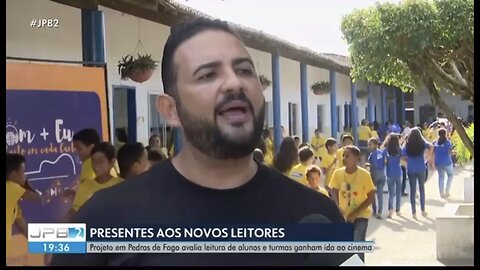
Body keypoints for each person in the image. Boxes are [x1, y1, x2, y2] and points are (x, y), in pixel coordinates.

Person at [51, 17, 347, 266]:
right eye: (207, 75)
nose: (235, 82)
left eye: (245, 70)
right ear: (170, 109)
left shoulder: (318, 216)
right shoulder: (102, 220)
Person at [328, 146, 376, 262]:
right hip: (344, 216)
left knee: (357, 243)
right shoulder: (338, 173)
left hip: (361, 215)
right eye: (343, 155)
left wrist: (355, 213)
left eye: (347, 156)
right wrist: (338, 207)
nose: (344, 158)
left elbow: (371, 197)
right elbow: (333, 191)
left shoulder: (365, 175)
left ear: (356, 158)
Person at [67, 142, 123, 221]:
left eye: (100, 161)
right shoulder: (85, 185)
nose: (96, 165)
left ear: (112, 162)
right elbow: (74, 214)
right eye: (93, 160)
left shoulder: (122, 185)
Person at [6, 153, 43, 257]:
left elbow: (23, 226)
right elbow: (38, 199)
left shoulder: (12, 202)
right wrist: (26, 184)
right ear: (13, 175)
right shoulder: (11, 187)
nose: (26, 175)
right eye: (23, 172)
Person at [401, 128, 434, 220]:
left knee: (412, 190)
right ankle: (423, 210)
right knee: (422, 189)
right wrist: (428, 156)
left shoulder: (407, 144)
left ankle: (413, 212)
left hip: (411, 168)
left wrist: (406, 162)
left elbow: (402, 154)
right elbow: (431, 146)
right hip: (421, 167)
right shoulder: (422, 143)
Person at [381, 134, 403, 218]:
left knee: (391, 193)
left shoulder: (386, 150)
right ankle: (398, 210)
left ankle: (390, 210)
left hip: (389, 173)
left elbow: (383, 159)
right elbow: (403, 156)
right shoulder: (399, 149)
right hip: (398, 172)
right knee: (398, 193)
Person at [433, 128, 454, 199]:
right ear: (445, 134)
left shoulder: (435, 143)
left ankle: (441, 193)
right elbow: (449, 152)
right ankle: (447, 191)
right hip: (447, 162)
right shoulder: (447, 142)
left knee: (441, 177)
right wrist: (454, 152)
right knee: (450, 175)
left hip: (438, 162)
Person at [368, 137, 386, 219]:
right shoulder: (381, 152)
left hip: (375, 173)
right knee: (380, 194)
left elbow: (373, 164)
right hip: (382, 173)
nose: (369, 146)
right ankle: (380, 211)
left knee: (372, 193)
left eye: (370, 144)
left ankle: (374, 210)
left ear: (375, 144)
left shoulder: (373, 154)